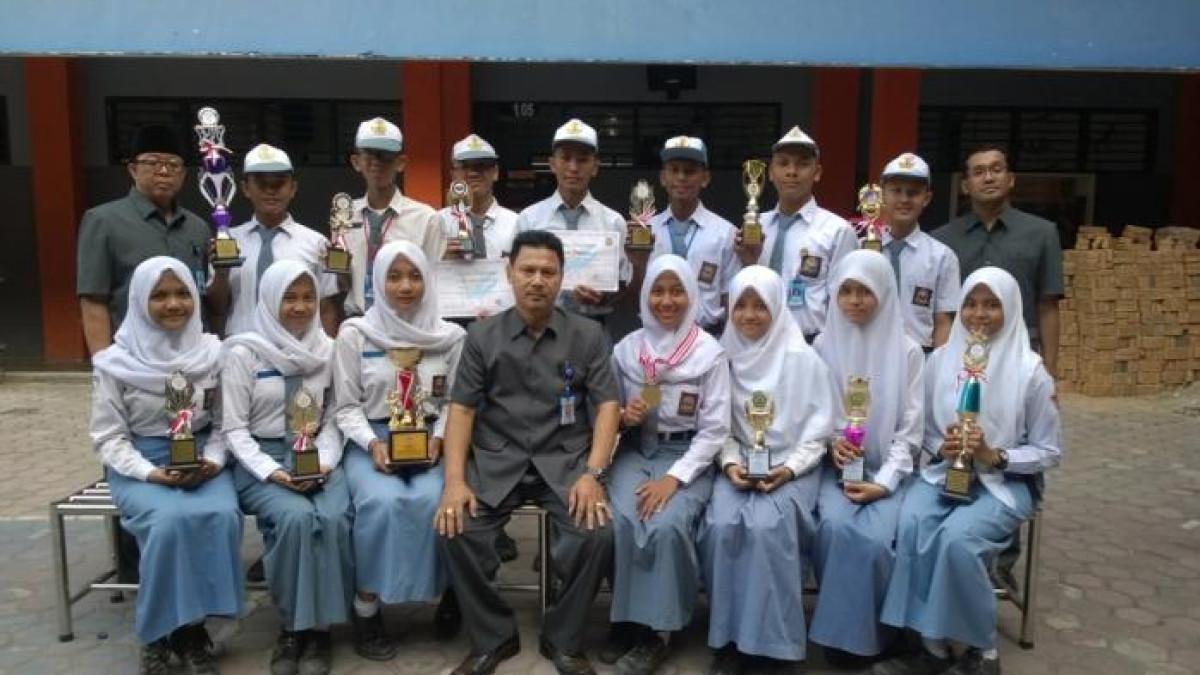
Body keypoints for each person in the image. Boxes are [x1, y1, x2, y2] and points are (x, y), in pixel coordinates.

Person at [436, 230, 620, 675]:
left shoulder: (589, 335)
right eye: (528, 270)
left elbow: (607, 407)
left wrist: (593, 474)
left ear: (562, 278)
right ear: (509, 273)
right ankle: (493, 637)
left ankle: (564, 639)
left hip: (566, 462)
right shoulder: (482, 336)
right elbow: (461, 410)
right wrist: (454, 482)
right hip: (499, 460)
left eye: (548, 272)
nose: (537, 280)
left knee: (596, 534)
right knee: (456, 528)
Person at [872, 268, 1062, 675]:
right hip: (945, 473)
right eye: (971, 304)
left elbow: (1049, 451)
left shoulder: (1031, 371)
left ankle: (982, 651)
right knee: (912, 525)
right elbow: (923, 430)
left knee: (957, 541)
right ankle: (931, 648)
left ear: (1011, 309)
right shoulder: (940, 360)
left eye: (992, 305)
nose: (979, 314)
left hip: (1004, 483)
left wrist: (995, 455)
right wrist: (940, 446)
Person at [89, 256, 240, 675]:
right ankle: (158, 634)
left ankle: (191, 630)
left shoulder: (214, 354)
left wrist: (213, 461)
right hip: (140, 464)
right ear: (139, 301)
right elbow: (108, 437)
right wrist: (150, 473)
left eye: (181, 293)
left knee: (219, 514)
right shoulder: (114, 363)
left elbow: (225, 424)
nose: (173, 304)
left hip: (201, 461)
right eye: (159, 295)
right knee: (169, 522)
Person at [699, 265, 838, 675]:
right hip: (738, 463)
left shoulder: (804, 359)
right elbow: (717, 425)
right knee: (721, 526)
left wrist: (789, 469)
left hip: (794, 465)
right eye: (740, 305)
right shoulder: (721, 355)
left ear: (777, 307)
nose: (749, 315)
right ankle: (729, 638)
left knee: (767, 528)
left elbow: (819, 433)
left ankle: (774, 648)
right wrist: (729, 463)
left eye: (760, 305)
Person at [331, 241, 466, 660]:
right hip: (371, 437)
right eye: (394, 276)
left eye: (414, 276)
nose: (405, 286)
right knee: (382, 502)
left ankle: (449, 593)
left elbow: (455, 402)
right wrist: (372, 444)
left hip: (433, 436)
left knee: (437, 500)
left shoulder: (450, 337)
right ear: (377, 281)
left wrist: (439, 438)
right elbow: (345, 406)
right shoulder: (355, 334)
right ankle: (367, 609)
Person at [221, 260, 352, 675]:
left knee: (333, 516)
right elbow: (234, 429)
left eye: (308, 297)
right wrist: (274, 473)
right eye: (289, 298)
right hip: (261, 458)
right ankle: (293, 628)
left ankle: (321, 630)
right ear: (268, 300)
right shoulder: (243, 352)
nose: (300, 307)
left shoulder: (328, 350)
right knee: (296, 518)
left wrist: (325, 463)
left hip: (316, 453)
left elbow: (335, 416)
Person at [606, 255, 730, 674]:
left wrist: (674, 479)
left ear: (692, 296)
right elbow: (606, 410)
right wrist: (624, 416)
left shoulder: (709, 353)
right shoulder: (627, 349)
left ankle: (659, 632)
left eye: (677, 291)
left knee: (665, 523)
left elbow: (715, 430)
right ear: (645, 296)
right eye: (658, 291)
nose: (666, 300)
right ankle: (626, 621)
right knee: (621, 519)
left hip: (687, 455)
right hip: (636, 451)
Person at [809, 250, 924, 664]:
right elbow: (815, 411)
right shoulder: (823, 344)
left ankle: (875, 635)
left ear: (885, 293)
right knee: (833, 528)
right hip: (837, 468)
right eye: (846, 291)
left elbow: (911, 430)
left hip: (891, 471)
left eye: (865, 291)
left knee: (875, 541)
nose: (855, 301)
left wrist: (885, 482)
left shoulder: (908, 351)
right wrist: (832, 443)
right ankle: (839, 636)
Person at [78, 125, 212, 354]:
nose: (164, 171)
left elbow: (204, 295)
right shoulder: (103, 221)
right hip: (132, 356)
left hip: (192, 355)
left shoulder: (198, 227)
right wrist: (104, 362)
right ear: (133, 170)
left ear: (183, 174)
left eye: (173, 164)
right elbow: (93, 300)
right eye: (152, 162)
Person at [932, 144, 1063, 377]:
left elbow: (1048, 306)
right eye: (979, 172)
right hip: (960, 354)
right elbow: (942, 313)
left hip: (1021, 353)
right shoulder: (942, 240)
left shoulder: (1042, 234)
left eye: (996, 169)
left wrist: (1050, 370)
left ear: (1011, 179)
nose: (989, 178)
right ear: (965, 185)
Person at [735, 126, 859, 342]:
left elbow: (843, 301)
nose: (792, 172)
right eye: (783, 163)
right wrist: (749, 261)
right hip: (757, 340)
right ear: (770, 173)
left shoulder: (837, 231)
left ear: (817, 173)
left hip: (810, 343)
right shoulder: (755, 225)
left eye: (802, 164)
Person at [206, 144, 342, 336]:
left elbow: (326, 307)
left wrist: (328, 349)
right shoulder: (228, 240)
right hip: (243, 346)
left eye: (279, 183)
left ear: (293, 188)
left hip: (299, 347)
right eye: (261, 183)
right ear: (246, 188)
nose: (270, 191)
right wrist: (221, 273)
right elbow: (217, 308)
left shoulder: (316, 243)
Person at [516, 118, 632, 325]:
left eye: (582, 160)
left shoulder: (614, 222)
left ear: (595, 167)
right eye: (566, 158)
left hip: (593, 325)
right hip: (538, 325)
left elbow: (623, 282)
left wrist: (603, 297)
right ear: (552, 164)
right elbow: (515, 277)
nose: (573, 167)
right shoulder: (528, 219)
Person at [342, 117, 446, 317]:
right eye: (369, 154)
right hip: (357, 319)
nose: (377, 162)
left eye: (385, 155)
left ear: (401, 163)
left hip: (407, 319)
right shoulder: (344, 215)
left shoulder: (426, 219)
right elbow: (344, 284)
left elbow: (434, 282)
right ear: (356, 162)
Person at [646, 136, 740, 335]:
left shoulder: (725, 233)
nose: (681, 177)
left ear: (705, 178)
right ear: (663, 177)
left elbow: (730, 296)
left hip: (707, 336)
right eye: (674, 170)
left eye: (689, 171)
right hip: (657, 337)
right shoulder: (647, 230)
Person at [878, 153, 961, 351]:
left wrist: (938, 364)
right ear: (882, 195)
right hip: (868, 354)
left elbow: (943, 321)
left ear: (926, 198)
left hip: (920, 355)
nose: (904, 199)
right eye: (896, 191)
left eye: (913, 193)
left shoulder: (942, 257)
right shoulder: (862, 248)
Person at [440, 133, 520, 262]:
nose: (473, 173)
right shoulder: (439, 222)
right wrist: (445, 261)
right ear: (453, 175)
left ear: (495, 172)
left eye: (481, 165)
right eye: (465, 166)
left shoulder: (516, 224)